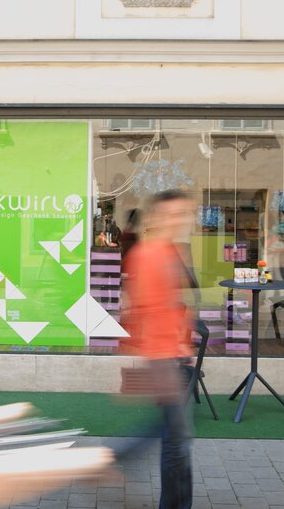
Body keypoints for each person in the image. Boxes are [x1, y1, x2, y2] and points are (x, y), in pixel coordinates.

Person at [122, 190, 195, 509]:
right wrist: (161, 356)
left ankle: (176, 502)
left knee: (174, 437)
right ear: (155, 218)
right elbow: (144, 309)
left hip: (173, 353)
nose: (178, 220)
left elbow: (171, 304)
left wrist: (183, 341)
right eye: (171, 214)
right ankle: (114, 458)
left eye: (183, 213)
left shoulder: (171, 251)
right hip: (161, 357)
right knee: (175, 440)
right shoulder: (146, 255)